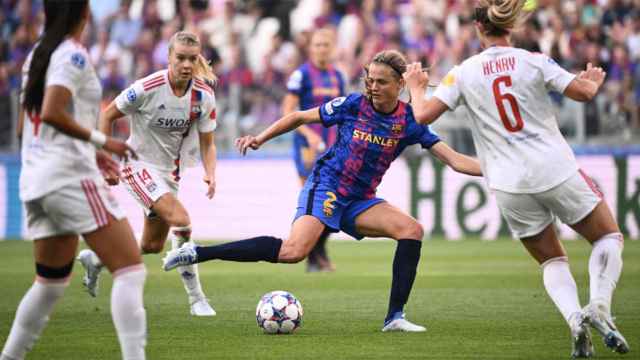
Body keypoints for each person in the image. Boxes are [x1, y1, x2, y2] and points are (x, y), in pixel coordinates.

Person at [163, 50, 482, 332]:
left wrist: (498, 173)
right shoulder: (354, 105)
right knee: (293, 252)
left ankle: (394, 317)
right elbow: (300, 116)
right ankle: (198, 252)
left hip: (361, 200)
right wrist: (261, 138)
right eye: (369, 79)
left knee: (411, 230)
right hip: (327, 186)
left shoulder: (409, 121)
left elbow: (455, 160)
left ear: (400, 85)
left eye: (381, 82)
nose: (372, 87)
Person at [403, 0, 629, 357]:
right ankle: (599, 304)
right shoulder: (534, 61)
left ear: (477, 29)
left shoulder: (462, 72)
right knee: (608, 236)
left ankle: (574, 320)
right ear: (511, 27)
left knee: (552, 260)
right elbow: (583, 94)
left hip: (509, 185)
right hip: (554, 169)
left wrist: (416, 86)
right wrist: (592, 81)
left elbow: (422, 116)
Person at [1, 2, 147, 360]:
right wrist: (103, 142)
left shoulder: (38, 54)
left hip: (35, 179)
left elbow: (27, 125)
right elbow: (52, 111)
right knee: (130, 269)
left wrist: (91, 154)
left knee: (49, 284)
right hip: (67, 177)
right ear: (84, 13)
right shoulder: (72, 55)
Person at [76, 31, 218, 317]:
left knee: (152, 245)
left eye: (192, 58)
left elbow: (208, 143)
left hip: (169, 174)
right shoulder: (147, 87)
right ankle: (197, 300)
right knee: (182, 220)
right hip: (136, 166)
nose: (187, 64)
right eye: (180, 58)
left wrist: (210, 173)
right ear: (169, 57)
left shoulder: (204, 96)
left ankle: (97, 260)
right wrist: (106, 159)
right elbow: (107, 115)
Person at [282, 28, 346, 272]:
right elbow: (288, 110)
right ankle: (315, 257)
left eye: (326, 45)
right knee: (313, 202)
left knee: (335, 202)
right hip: (307, 147)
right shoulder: (301, 75)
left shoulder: (337, 76)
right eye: (317, 45)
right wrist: (308, 134)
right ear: (310, 48)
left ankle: (315, 254)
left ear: (332, 48)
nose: (321, 49)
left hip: (332, 147)